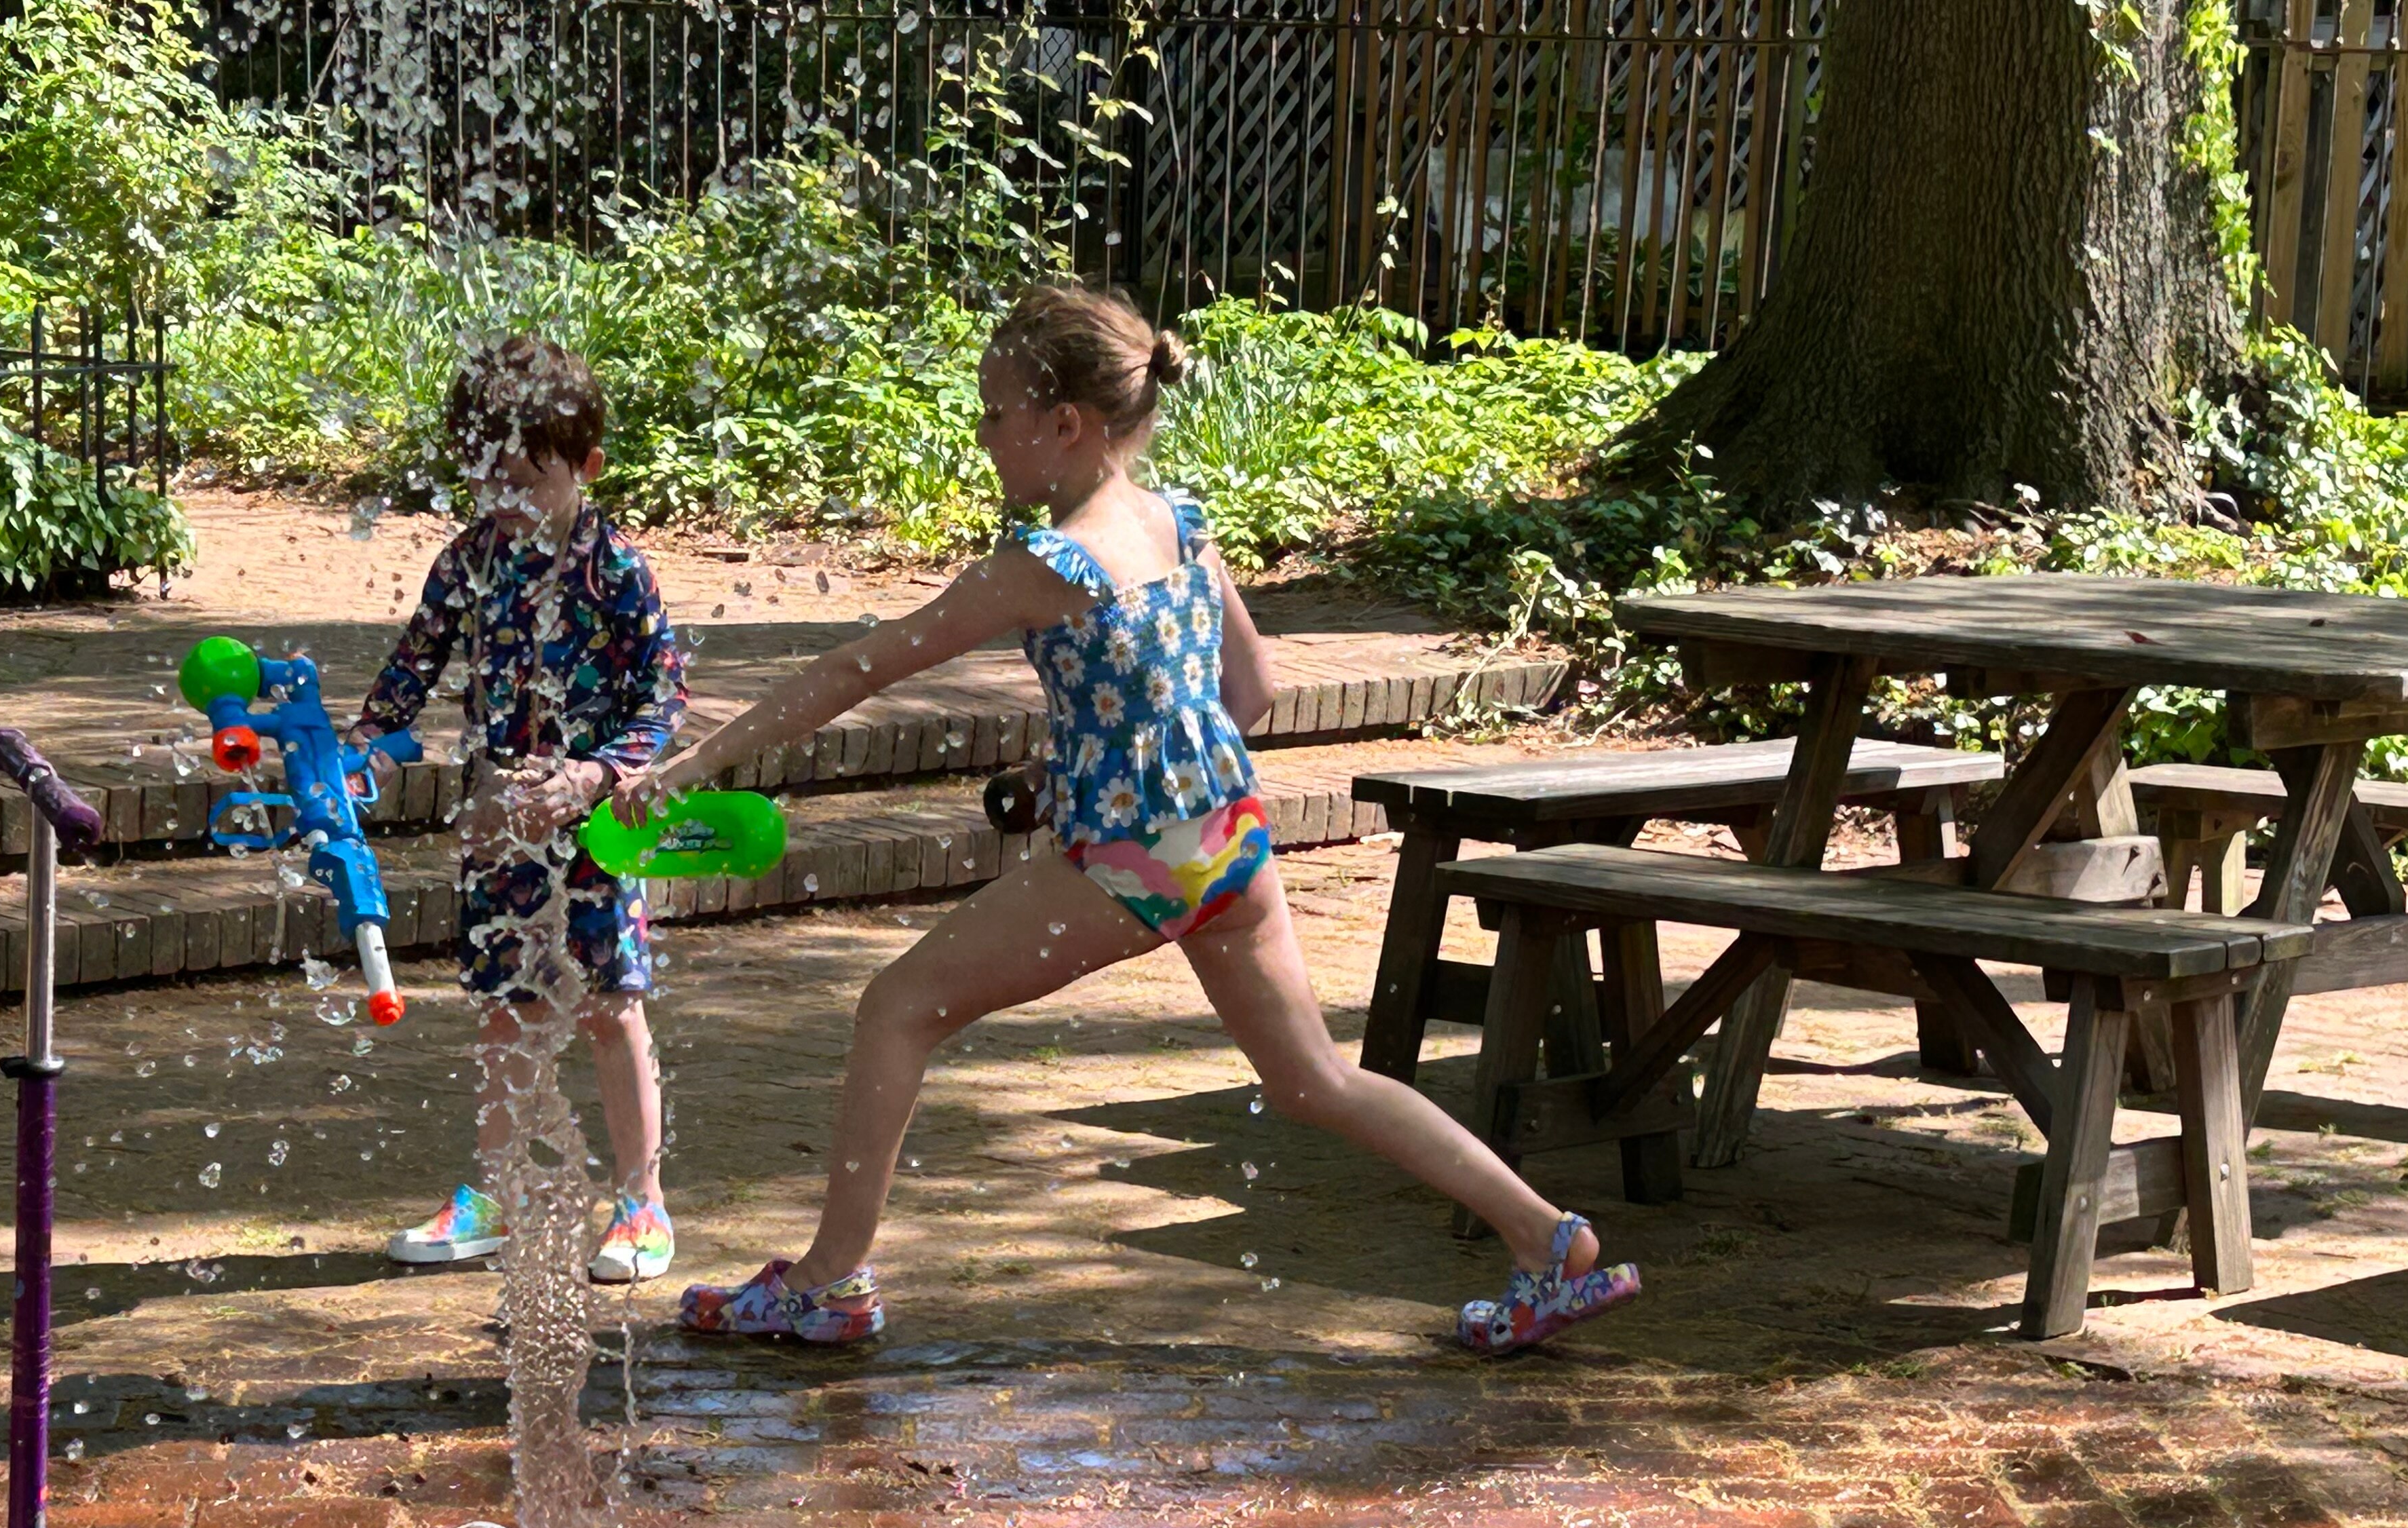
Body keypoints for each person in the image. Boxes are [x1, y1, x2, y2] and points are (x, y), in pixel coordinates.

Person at [613, 282, 1638, 1356]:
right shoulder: (1178, 523)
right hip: (1231, 839)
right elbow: (1251, 692)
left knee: (897, 1007)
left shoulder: (1046, 565)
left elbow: (861, 665)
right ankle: (1549, 1242)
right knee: (1313, 1081)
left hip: (1138, 858)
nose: (981, 438)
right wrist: (1091, 760)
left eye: (993, 413)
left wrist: (692, 765)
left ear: (1067, 424)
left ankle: (828, 1281)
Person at [353, 335, 683, 1284]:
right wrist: (368, 738)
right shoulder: (470, 562)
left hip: (596, 827)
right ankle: (497, 1190)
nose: (505, 496)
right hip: (501, 822)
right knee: (505, 1008)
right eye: (486, 473)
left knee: (612, 1008)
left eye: (526, 475)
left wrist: (598, 775)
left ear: (586, 466)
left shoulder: (615, 569)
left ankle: (641, 1203)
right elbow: (417, 660)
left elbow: (666, 698)